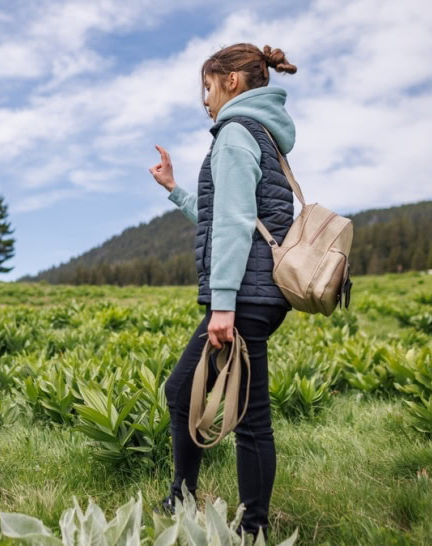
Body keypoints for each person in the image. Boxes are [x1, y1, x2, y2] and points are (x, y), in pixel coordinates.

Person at [148, 43, 297, 539]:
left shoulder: (235, 133)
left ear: (231, 81)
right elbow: (226, 216)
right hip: (261, 294)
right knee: (194, 395)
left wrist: (223, 304)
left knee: (244, 416)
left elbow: (234, 224)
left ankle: (250, 527)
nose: (205, 100)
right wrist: (174, 189)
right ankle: (186, 498)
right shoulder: (263, 132)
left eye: (208, 88)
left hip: (245, 297)